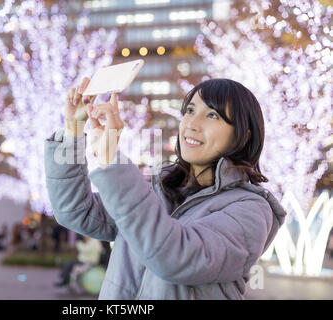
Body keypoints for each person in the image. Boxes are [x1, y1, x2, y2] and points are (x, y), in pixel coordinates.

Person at [44, 77, 288, 300]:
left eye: (212, 115)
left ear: (244, 136)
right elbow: (75, 211)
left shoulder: (251, 211)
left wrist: (112, 161)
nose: (192, 123)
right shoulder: (158, 189)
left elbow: (175, 258)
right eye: (190, 110)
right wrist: (73, 131)